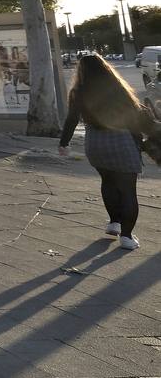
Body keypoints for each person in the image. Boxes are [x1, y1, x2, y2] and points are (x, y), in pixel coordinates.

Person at [58, 54, 148, 250]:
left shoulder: (78, 91)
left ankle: (114, 223)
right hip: (121, 142)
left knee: (107, 182)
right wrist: (139, 143)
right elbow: (133, 118)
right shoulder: (117, 88)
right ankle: (126, 237)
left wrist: (63, 143)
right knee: (127, 191)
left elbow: (71, 119)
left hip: (95, 145)